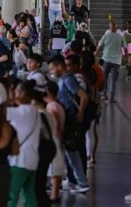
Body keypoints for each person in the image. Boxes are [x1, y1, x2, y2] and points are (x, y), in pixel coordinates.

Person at [48, 55, 90, 193]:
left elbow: (84, 96)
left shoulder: (68, 80)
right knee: (70, 152)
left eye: (53, 68)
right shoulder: (63, 79)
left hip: (71, 120)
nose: (52, 71)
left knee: (71, 151)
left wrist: (80, 114)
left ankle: (81, 182)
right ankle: (75, 181)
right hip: (67, 118)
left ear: (59, 66)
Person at [7, 81, 41, 207]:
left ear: (22, 93)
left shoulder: (24, 111)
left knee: (11, 194)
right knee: (29, 194)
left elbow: (0, 112)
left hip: (20, 160)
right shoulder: (33, 110)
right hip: (31, 159)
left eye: (16, 91)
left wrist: (8, 98)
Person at [44, 81, 67, 203]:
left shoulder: (51, 106)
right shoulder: (57, 104)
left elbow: (56, 123)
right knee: (55, 167)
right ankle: (54, 191)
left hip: (54, 138)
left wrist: (55, 135)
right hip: (57, 138)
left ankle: (54, 193)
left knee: (54, 167)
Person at [95, 22, 127, 103]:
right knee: (113, 80)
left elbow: (99, 46)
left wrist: (95, 54)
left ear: (109, 28)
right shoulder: (120, 36)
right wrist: (125, 57)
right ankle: (112, 98)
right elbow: (125, 48)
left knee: (105, 77)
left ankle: (104, 95)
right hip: (117, 61)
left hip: (107, 60)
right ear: (116, 28)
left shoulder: (106, 36)